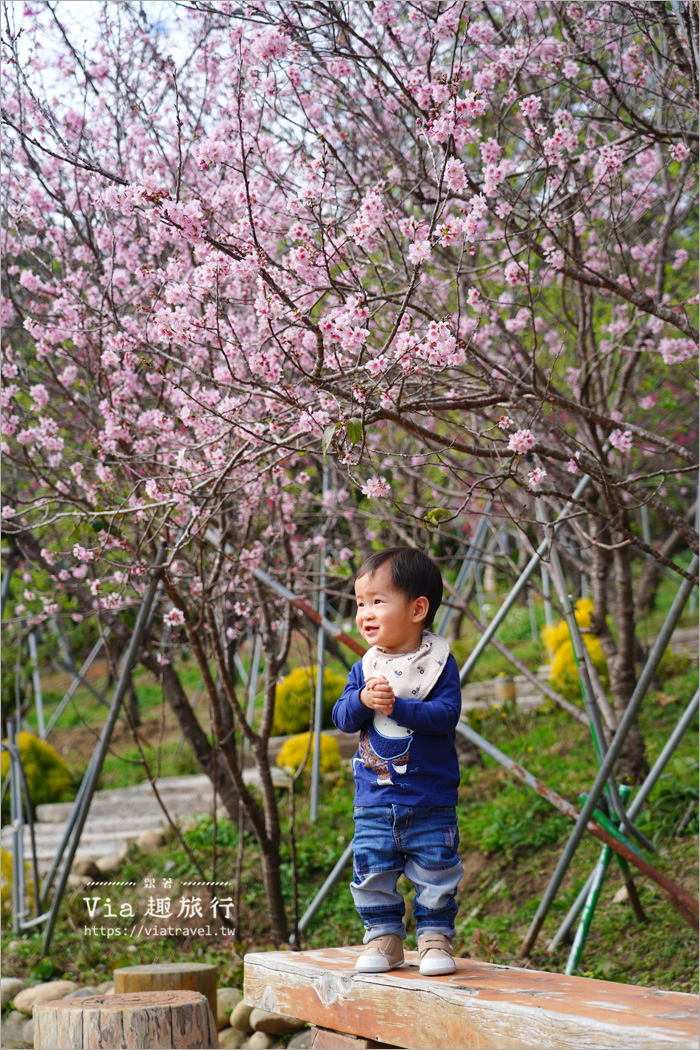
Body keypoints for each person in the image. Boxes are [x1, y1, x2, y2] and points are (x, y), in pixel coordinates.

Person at [332, 546, 464, 976]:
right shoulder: (365, 667)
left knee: (436, 871)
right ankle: (384, 937)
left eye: (377, 601)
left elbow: (445, 717)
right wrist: (362, 700)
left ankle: (433, 938)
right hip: (373, 798)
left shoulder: (439, 665)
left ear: (417, 608)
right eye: (359, 603)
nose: (365, 613)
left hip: (430, 797)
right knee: (371, 869)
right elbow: (341, 716)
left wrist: (397, 708)